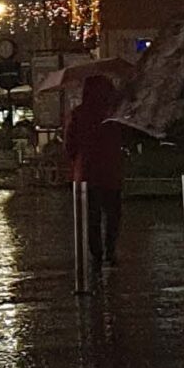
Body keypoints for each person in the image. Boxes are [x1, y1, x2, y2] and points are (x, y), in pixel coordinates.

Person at [64, 71, 124, 272]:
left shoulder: (79, 113)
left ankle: (96, 253)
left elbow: (69, 144)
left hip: (86, 173)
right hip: (111, 172)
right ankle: (110, 250)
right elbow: (125, 138)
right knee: (113, 214)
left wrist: (76, 159)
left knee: (92, 217)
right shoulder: (113, 114)